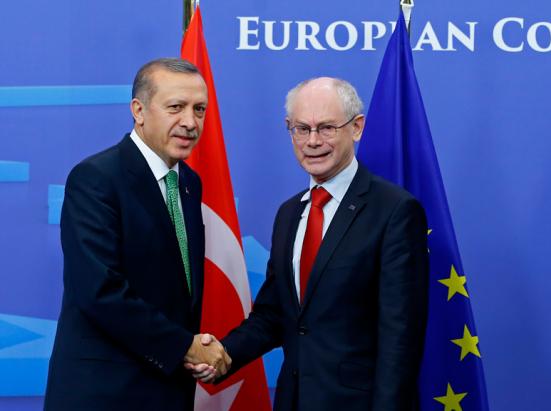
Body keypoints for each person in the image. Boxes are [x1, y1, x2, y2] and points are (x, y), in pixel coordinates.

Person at [192, 77, 429, 411]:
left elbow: (400, 336)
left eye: (327, 128)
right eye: (301, 129)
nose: (312, 141)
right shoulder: (289, 214)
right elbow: (274, 314)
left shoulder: (394, 211)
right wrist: (224, 354)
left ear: (357, 127)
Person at [44, 57, 230, 411]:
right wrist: (184, 346)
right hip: (105, 394)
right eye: (176, 107)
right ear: (139, 110)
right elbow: (100, 291)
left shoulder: (189, 184)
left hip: (167, 390)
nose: (190, 122)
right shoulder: (96, 178)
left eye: (199, 109)